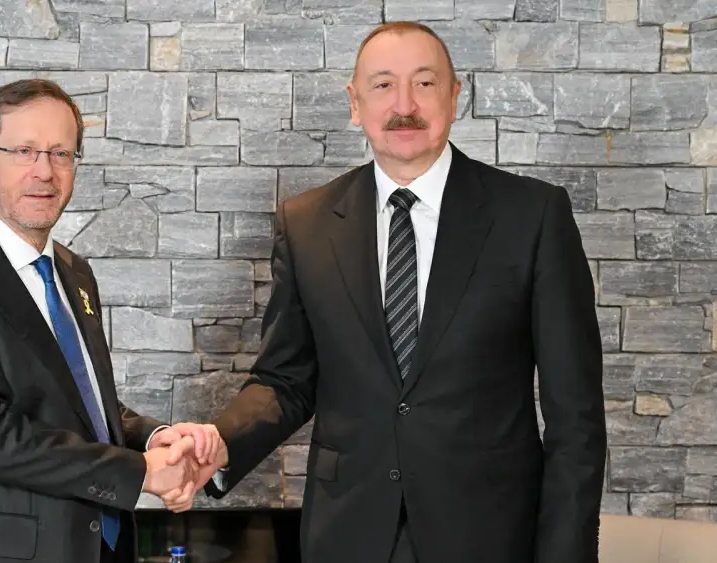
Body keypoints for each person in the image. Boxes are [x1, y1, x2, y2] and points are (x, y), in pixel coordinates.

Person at [162, 21, 607, 563]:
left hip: (490, 536)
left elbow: (576, 419)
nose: (404, 104)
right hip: (348, 535)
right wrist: (221, 442)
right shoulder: (305, 224)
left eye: (424, 83)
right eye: (382, 85)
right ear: (355, 103)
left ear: (454, 96)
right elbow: (287, 379)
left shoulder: (533, 217)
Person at [0, 78, 217, 563]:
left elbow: (78, 402)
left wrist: (153, 437)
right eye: (24, 151)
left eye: (60, 154)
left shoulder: (74, 273)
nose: (44, 171)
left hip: (94, 546)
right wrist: (141, 473)